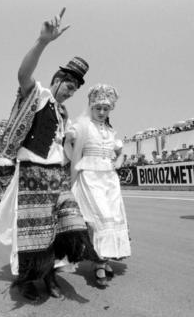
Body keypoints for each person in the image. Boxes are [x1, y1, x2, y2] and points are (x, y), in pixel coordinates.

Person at [0, 9, 93, 300]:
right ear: (58, 79)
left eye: (74, 90)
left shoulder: (63, 113)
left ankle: (51, 275)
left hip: (56, 177)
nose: (70, 93)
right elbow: (23, 74)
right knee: (34, 232)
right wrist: (43, 41)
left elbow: (68, 145)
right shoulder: (40, 95)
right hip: (33, 174)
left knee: (66, 224)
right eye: (69, 86)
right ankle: (30, 279)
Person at [67, 84, 131, 287]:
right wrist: (68, 140)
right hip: (90, 177)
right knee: (98, 217)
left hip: (109, 179)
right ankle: (98, 262)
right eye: (98, 108)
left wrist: (117, 163)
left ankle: (103, 260)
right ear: (91, 107)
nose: (102, 112)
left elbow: (120, 153)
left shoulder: (110, 131)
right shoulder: (82, 126)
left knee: (112, 216)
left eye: (106, 109)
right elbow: (69, 147)